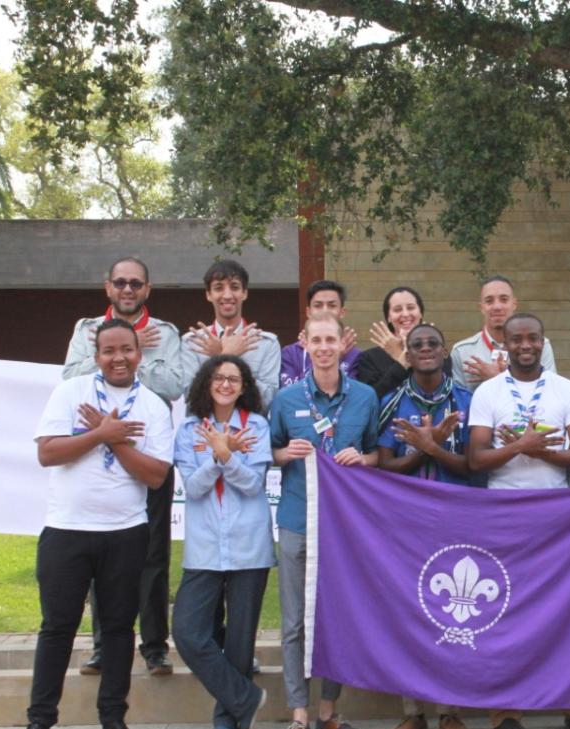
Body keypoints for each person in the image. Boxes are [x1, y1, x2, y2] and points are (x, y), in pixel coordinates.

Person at [12, 319, 173, 729]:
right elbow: (47, 452)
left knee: (120, 627)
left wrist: (113, 441)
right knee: (57, 627)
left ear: (140, 353)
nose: (118, 358)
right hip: (66, 529)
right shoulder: (70, 392)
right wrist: (103, 433)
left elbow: (156, 476)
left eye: (127, 350)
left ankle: (113, 718)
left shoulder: (154, 406)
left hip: (125, 532)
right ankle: (40, 722)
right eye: (109, 351)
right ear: (96, 354)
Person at [467, 312, 570, 729]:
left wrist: (539, 453)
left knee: (561, 608)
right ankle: (506, 711)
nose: (525, 345)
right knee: (508, 611)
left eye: (533, 338)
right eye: (517, 338)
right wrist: (522, 446)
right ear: (503, 342)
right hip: (504, 511)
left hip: (556, 512)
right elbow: (476, 459)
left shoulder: (567, 389)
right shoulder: (487, 392)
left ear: (544, 341)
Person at [63, 256, 182, 676]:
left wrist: (138, 355)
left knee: (152, 552)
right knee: (102, 551)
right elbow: (70, 377)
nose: (128, 290)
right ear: (108, 287)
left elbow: (173, 385)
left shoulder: (165, 334)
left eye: (136, 283)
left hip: (147, 451)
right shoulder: (85, 330)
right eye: (120, 283)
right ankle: (103, 646)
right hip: (98, 453)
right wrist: (118, 349)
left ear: (147, 289)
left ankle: (154, 647)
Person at [268, 313, 379, 729]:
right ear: (305, 344)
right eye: (317, 340)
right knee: (295, 621)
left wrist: (363, 459)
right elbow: (270, 453)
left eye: (331, 339)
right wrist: (284, 452)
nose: (325, 347)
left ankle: (330, 712)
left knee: (336, 617)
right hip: (297, 520)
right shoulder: (286, 398)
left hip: (344, 527)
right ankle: (298, 716)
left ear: (342, 344)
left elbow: (377, 456)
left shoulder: (365, 397)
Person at [377, 323, 472, 729]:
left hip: (457, 517)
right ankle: (413, 710)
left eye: (433, 342)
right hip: (408, 521)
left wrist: (434, 447)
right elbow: (384, 464)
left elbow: (475, 463)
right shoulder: (392, 402)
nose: (426, 349)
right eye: (418, 345)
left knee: (453, 612)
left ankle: (451, 710)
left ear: (444, 349)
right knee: (411, 612)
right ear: (408, 354)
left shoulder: (467, 400)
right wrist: (423, 448)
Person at [171, 355, 274, 729]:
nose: (226, 384)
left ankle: (228, 717)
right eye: (219, 377)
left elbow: (253, 484)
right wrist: (220, 454)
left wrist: (225, 454)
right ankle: (245, 697)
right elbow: (193, 488)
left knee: (239, 639)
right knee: (188, 632)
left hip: (250, 543)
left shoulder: (258, 426)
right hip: (205, 546)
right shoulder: (189, 430)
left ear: (244, 386)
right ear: (206, 383)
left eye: (234, 378)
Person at [181, 260, 281, 410]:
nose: (227, 295)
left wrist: (226, 358)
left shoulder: (266, 343)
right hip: (204, 429)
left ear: (245, 293)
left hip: (251, 429)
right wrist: (225, 356)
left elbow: (268, 399)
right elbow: (190, 398)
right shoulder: (193, 342)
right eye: (218, 288)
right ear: (209, 294)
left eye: (234, 287)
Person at [449, 275, 557, 391]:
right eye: (489, 301)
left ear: (514, 304)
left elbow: (550, 392)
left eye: (504, 299)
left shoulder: (539, 346)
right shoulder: (462, 351)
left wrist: (497, 379)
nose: (497, 306)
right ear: (481, 307)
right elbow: (459, 403)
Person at [360, 286, 446, 398]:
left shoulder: (436, 352)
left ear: (420, 313)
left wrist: (404, 356)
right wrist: (401, 362)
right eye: (397, 309)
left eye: (411, 308)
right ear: (389, 317)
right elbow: (370, 399)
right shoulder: (369, 358)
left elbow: (443, 390)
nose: (405, 314)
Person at [280, 279, 361, 387]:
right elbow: (291, 395)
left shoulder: (356, 355)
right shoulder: (290, 353)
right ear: (308, 312)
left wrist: (336, 355)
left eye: (332, 306)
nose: (325, 310)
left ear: (342, 312)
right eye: (318, 306)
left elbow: (353, 394)